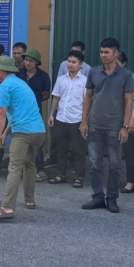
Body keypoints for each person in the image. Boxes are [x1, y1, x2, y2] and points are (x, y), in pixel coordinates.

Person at [0, 56, 46, 221]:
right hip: (39, 131)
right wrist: (5, 134)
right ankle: (30, 200)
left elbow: (1, 113)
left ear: (3, 70)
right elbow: (19, 112)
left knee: (14, 168)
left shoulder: (5, 86)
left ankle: (7, 208)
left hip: (23, 133)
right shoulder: (20, 83)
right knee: (30, 165)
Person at [80, 38, 134, 213]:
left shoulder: (126, 75)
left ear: (116, 53)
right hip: (95, 125)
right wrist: (84, 121)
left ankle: (112, 198)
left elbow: (129, 102)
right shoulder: (94, 72)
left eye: (107, 52)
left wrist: (125, 126)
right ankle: (97, 197)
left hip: (115, 127)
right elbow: (88, 97)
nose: (103, 55)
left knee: (115, 165)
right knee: (94, 163)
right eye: (101, 52)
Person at [48, 50, 88, 187]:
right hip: (61, 118)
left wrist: (84, 121)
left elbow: (87, 102)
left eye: (74, 62)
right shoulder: (61, 79)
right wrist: (51, 114)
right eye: (69, 61)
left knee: (79, 150)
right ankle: (61, 174)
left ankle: (79, 177)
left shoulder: (85, 81)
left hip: (77, 119)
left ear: (81, 65)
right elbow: (56, 98)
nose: (70, 64)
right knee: (61, 149)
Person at [18, 48, 52, 181]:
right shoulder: (18, 74)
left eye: (31, 61)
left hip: (35, 112)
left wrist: (33, 102)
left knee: (37, 141)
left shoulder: (43, 76)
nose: (27, 63)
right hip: (20, 112)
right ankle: (21, 169)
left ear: (37, 62)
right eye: (26, 60)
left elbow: (46, 94)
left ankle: (39, 169)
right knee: (21, 139)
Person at [117, 51, 134, 193]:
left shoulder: (132, 77)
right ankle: (113, 180)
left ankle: (131, 182)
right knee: (113, 152)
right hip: (111, 119)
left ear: (124, 63)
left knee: (130, 152)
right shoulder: (107, 76)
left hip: (128, 119)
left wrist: (132, 120)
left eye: (117, 63)